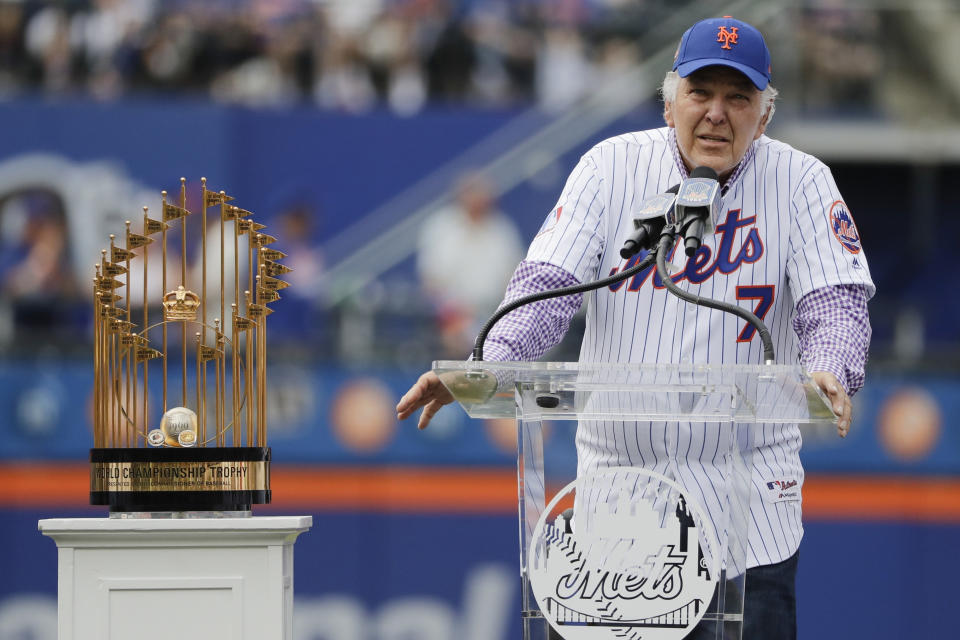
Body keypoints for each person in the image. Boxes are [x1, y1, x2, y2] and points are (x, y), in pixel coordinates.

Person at [397, 16, 873, 640]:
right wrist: (489, 362)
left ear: (766, 111)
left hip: (748, 513)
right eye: (701, 93)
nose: (717, 114)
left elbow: (835, 302)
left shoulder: (802, 180)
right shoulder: (611, 166)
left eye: (739, 97)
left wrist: (831, 368)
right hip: (618, 508)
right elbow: (548, 283)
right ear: (669, 99)